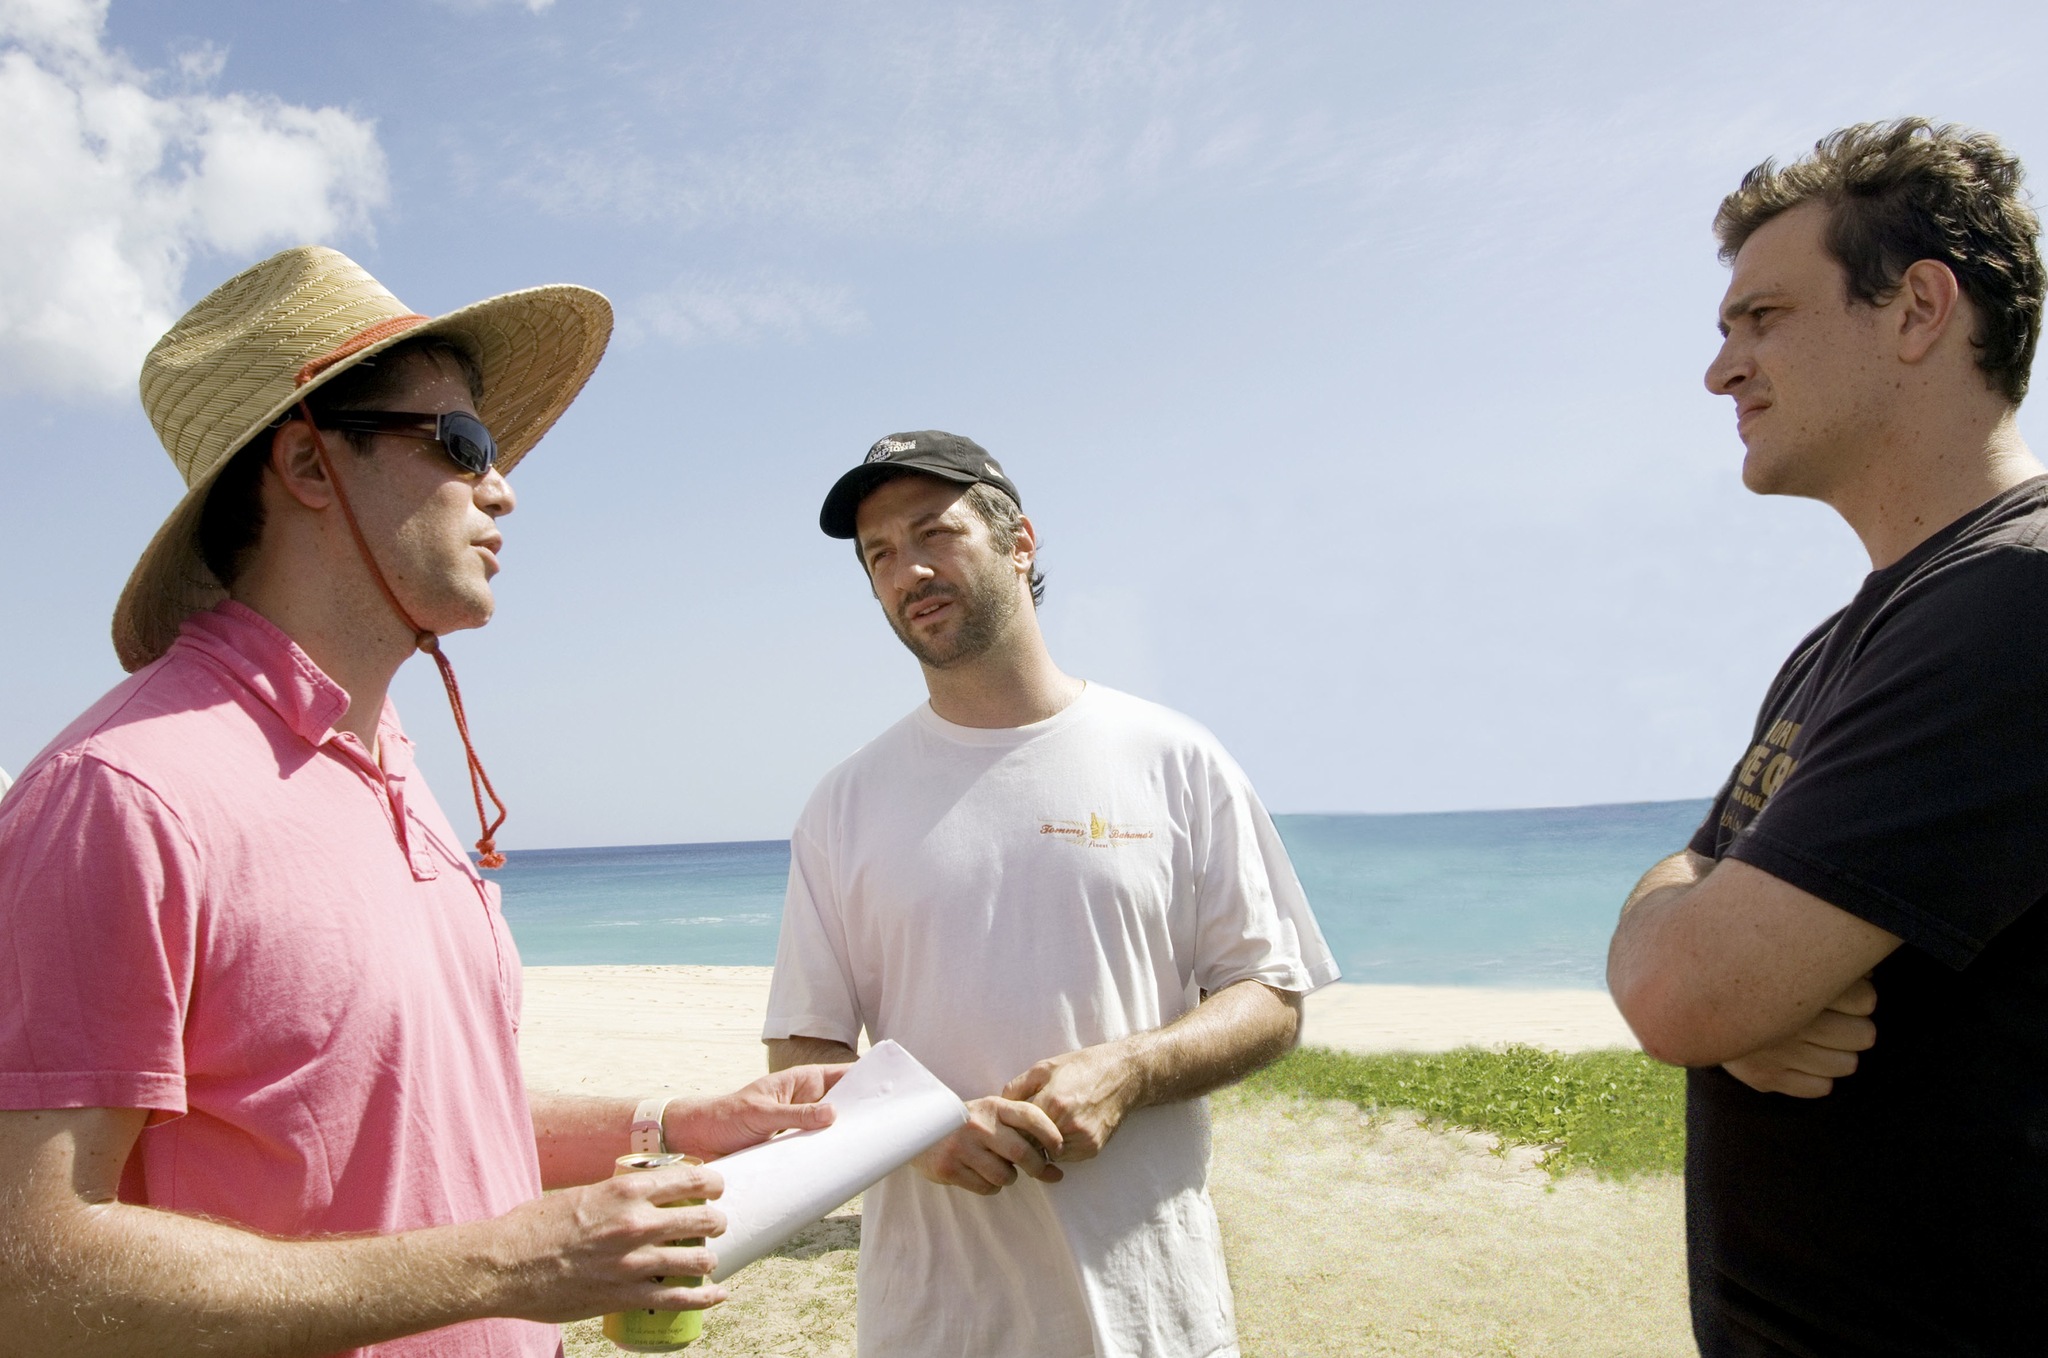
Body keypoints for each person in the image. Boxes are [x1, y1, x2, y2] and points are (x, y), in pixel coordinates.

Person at [0, 246, 841, 1357]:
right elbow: (30, 1269)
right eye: (462, 443)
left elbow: (413, 1115)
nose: (502, 486)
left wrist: (677, 1122)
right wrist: (507, 1260)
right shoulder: (123, 795)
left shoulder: (388, 756)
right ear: (307, 463)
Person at [1608, 119, 2048, 1356]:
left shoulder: (2013, 600)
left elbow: (1677, 987)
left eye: (1762, 318)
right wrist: (1707, 944)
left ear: (1915, 308)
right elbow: (1696, 915)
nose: (1720, 370)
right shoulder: (1849, 634)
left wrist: (1710, 964)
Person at [763, 431, 1339, 1358]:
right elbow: (802, 1050)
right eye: (878, 555)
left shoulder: (1173, 759)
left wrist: (1134, 1069)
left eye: (933, 533)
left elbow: (1269, 996)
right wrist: (917, 1132)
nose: (908, 570)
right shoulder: (844, 804)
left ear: (1019, 541)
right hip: (934, 1323)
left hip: (1154, 1314)